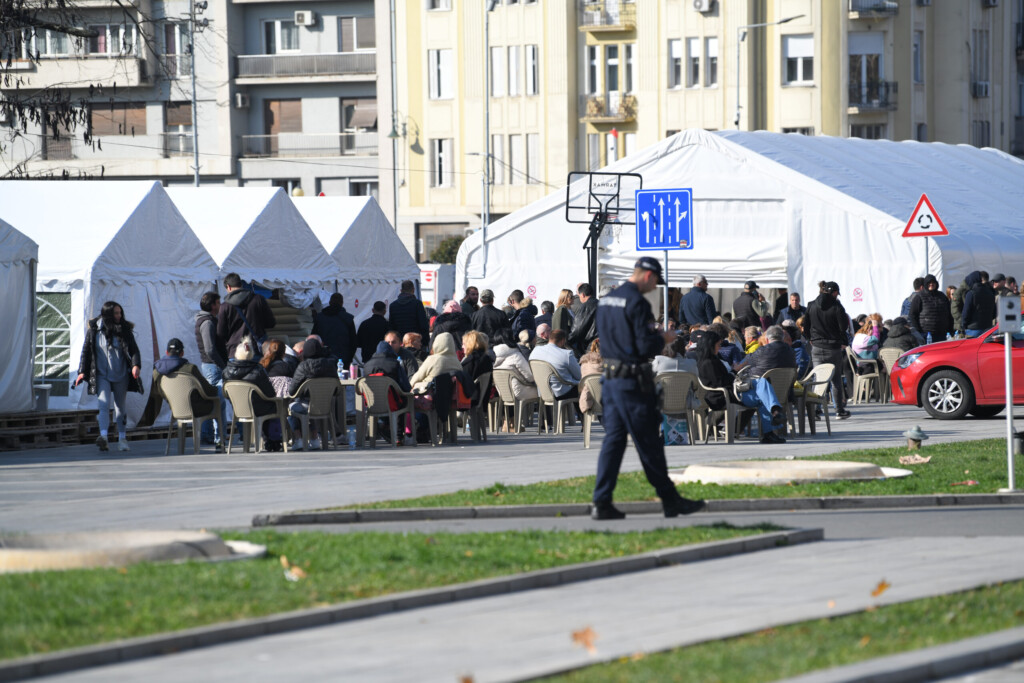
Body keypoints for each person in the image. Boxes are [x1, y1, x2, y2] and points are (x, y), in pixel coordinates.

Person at [591, 257, 705, 521]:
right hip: (632, 381)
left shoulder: (607, 300)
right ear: (648, 276)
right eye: (655, 283)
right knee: (649, 442)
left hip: (611, 379)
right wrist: (662, 338)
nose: (654, 288)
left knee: (613, 443)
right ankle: (670, 500)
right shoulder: (637, 302)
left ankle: (601, 501)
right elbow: (643, 346)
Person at [696, 330, 787, 444]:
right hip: (723, 395)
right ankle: (772, 423)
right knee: (762, 396)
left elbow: (724, 379)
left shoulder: (712, 359)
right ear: (710, 345)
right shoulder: (708, 363)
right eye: (718, 345)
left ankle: (774, 416)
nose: (720, 347)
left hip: (730, 392)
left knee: (761, 381)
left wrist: (734, 373)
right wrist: (735, 371)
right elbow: (721, 382)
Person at [74, 301, 142, 452]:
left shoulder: (124, 329)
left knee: (120, 407)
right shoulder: (94, 330)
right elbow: (86, 351)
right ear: (108, 315)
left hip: (121, 374)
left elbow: (134, 350)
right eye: (116, 313)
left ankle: (122, 439)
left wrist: (136, 365)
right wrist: (82, 372)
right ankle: (103, 437)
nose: (119, 316)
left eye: (120, 313)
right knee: (103, 404)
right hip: (102, 374)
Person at [140, 338, 220, 446]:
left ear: (166, 352)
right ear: (182, 353)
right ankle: (218, 440)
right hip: (196, 409)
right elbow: (209, 391)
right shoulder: (190, 369)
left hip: (175, 409)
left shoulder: (157, 371)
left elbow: (156, 393)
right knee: (219, 400)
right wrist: (217, 389)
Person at [807, 281, 851, 419]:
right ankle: (839, 410)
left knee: (818, 379)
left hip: (817, 346)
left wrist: (810, 338)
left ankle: (816, 410)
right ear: (834, 292)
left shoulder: (811, 305)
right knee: (836, 380)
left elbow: (805, 325)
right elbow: (843, 327)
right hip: (833, 347)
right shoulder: (836, 306)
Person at [286, 337, 338, 450]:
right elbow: (336, 388)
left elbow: (292, 391)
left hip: (306, 405)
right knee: (310, 405)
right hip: (325, 405)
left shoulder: (303, 366)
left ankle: (298, 439)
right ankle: (314, 439)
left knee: (290, 407)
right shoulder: (330, 364)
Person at [194, 291, 228, 446]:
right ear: (213, 305)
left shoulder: (208, 320)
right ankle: (219, 436)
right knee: (217, 402)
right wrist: (223, 366)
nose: (220, 305)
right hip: (213, 367)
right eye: (218, 303)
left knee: (213, 402)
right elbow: (210, 350)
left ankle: (208, 434)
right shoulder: (207, 323)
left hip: (212, 366)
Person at [217, 273, 276, 359]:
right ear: (241, 284)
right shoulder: (258, 299)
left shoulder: (224, 306)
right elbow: (271, 323)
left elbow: (221, 333)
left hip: (235, 350)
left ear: (228, 287)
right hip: (256, 348)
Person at [529, 329, 582, 401]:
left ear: (549, 338)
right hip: (560, 393)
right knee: (586, 387)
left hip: (543, 392)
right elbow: (579, 376)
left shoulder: (535, 351)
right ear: (563, 341)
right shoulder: (567, 354)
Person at [493, 328, 538, 404]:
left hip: (503, 393)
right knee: (543, 391)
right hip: (519, 392)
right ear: (510, 339)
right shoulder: (515, 355)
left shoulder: (494, 358)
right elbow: (530, 377)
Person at [312, 293, 358, 366]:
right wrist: (349, 358)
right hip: (343, 358)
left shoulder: (320, 317)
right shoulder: (348, 318)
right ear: (342, 303)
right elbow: (353, 341)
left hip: (324, 358)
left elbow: (313, 338)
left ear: (330, 302)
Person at [910, 274, 953, 342]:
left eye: (933, 282)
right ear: (925, 284)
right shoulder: (919, 297)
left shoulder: (942, 296)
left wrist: (950, 329)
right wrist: (918, 332)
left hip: (943, 334)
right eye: (929, 283)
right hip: (927, 335)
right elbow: (912, 314)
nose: (931, 284)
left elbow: (949, 313)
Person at [460, 330, 494, 405]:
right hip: (483, 400)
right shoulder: (487, 359)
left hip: (468, 401)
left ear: (470, 344)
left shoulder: (470, 362)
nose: (462, 347)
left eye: (464, 344)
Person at [962, 270, 996, 338]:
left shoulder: (971, 293)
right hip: (987, 329)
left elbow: (966, 312)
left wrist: (963, 326)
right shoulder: (990, 292)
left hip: (973, 329)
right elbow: (994, 312)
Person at [568, 282, 598, 356]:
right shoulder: (601, 304)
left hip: (591, 345)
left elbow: (578, 328)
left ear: (583, 295)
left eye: (579, 296)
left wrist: (568, 341)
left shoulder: (586, 306)